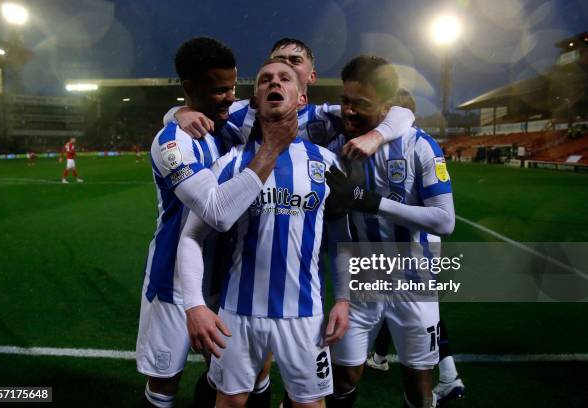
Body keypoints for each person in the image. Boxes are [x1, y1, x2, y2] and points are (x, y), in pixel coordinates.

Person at [177, 59, 352, 408]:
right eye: (265, 80)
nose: (275, 83)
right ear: (254, 100)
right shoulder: (230, 163)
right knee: (230, 402)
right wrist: (194, 304)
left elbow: (341, 238)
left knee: (309, 405)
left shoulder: (327, 164)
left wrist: (345, 299)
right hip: (238, 313)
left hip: (305, 314)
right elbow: (191, 237)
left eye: (285, 79)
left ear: (301, 98)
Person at [135, 37, 296, 408]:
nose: (230, 97)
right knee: (163, 386)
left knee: (237, 374)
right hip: (174, 284)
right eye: (220, 89)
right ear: (190, 89)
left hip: (225, 279)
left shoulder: (227, 121)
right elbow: (217, 212)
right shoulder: (174, 141)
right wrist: (174, 115)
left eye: (234, 87)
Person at [324, 55, 455, 408]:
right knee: (342, 378)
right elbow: (335, 223)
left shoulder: (420, 146)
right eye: (345, 101)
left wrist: (371, 202)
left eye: (360, 105)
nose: (348, 112)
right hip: (363, 280)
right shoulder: (337, 148)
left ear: (387, 105)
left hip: (415, 282)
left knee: (418, 384)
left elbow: (445, 221)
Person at [363, 89, 466, 405]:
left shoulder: (418, 146)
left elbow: (442, 218)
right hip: (404, 254)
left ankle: (448, 377)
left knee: (418, 310)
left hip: (418, 251)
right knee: (390, 300)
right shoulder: (382, 147)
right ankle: (381, 355)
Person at [165, 38, 415, 160]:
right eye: (278, 61)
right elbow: (200, 108)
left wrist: (376, 136)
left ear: (311, 76)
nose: (285, 67)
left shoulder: (324, 118)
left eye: (295, 61)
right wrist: (178, 112)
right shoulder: (238, 113)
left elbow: (400, 114)